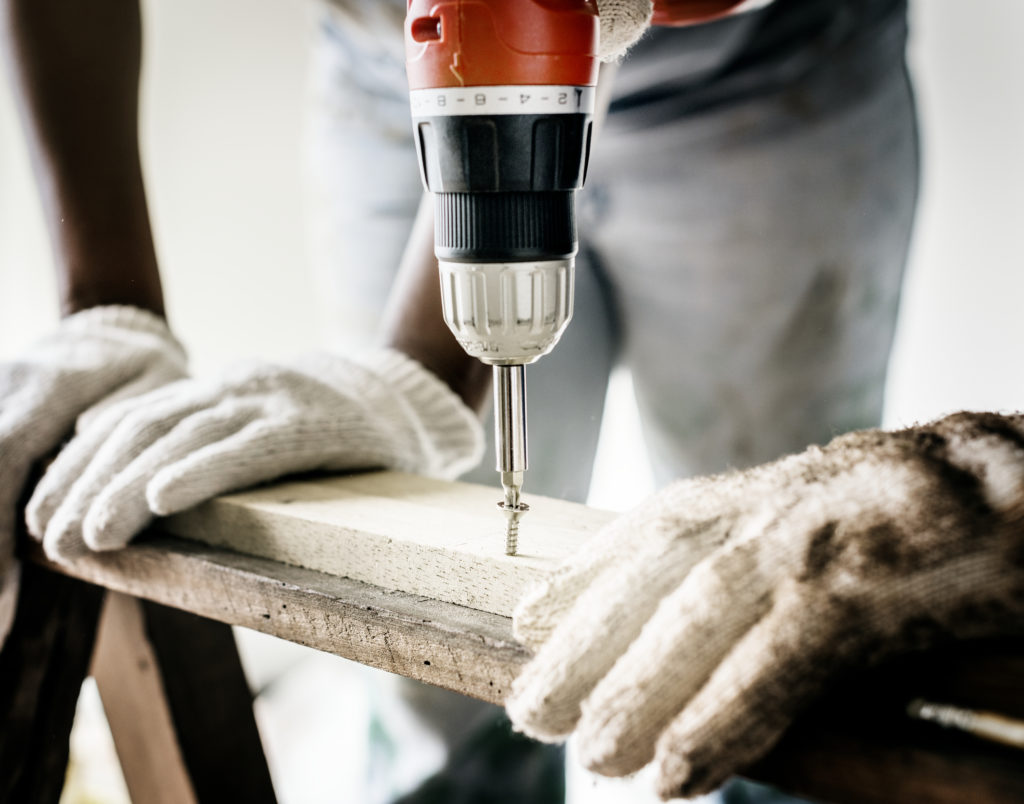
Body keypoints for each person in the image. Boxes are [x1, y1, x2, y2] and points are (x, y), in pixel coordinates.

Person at [3, 0, 1020, 801]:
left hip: (769, 87)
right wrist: (107, 305)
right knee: (433, 669)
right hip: (390, 73)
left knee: (761, 611)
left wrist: (422, 358)